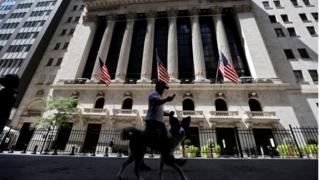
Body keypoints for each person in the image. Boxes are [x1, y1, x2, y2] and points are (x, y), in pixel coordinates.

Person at [144, 81, 175, 149]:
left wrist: (168, 114)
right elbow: (156, 102)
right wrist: (167, 99)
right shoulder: (153, 94)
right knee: (153, 138)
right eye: (162, 88)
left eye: (164, 88)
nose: (163, 90)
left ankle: (166, 155)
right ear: (158, 87)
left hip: (159, 121)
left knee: (165, 137)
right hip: (152, 121)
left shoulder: (159, 96)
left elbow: (159, 110)